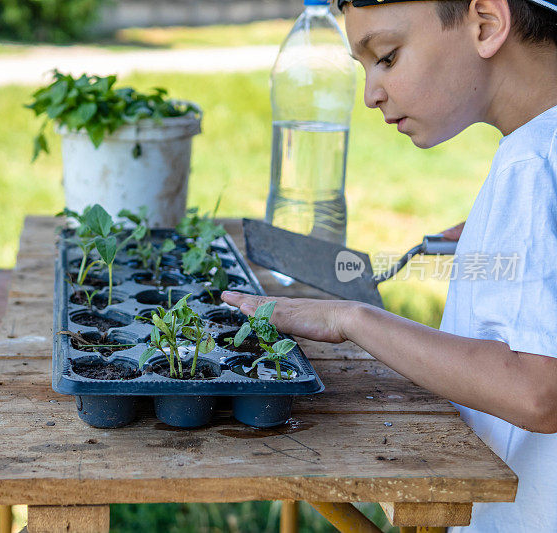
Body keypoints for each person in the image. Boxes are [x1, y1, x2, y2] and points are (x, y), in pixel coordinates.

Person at [222, 0, 557, 531]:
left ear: (487, 23)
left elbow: (539, 391)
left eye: (388, 56)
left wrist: (351, 319)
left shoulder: (533, 165)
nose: (370, 94)